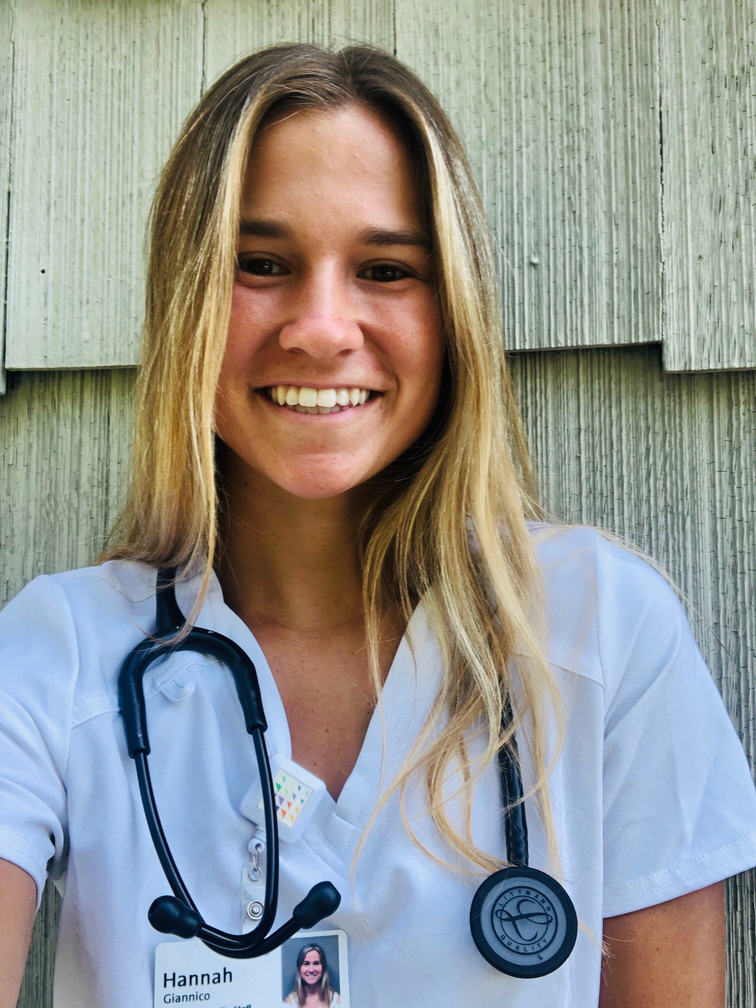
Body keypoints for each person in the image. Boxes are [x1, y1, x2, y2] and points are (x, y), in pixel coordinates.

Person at [1, 42, 756, 1008]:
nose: (321, 328)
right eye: (260, 264)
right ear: (184, 302)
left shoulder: (607, 633)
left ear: (456, 316)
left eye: (386, 269)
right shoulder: (55, 657)